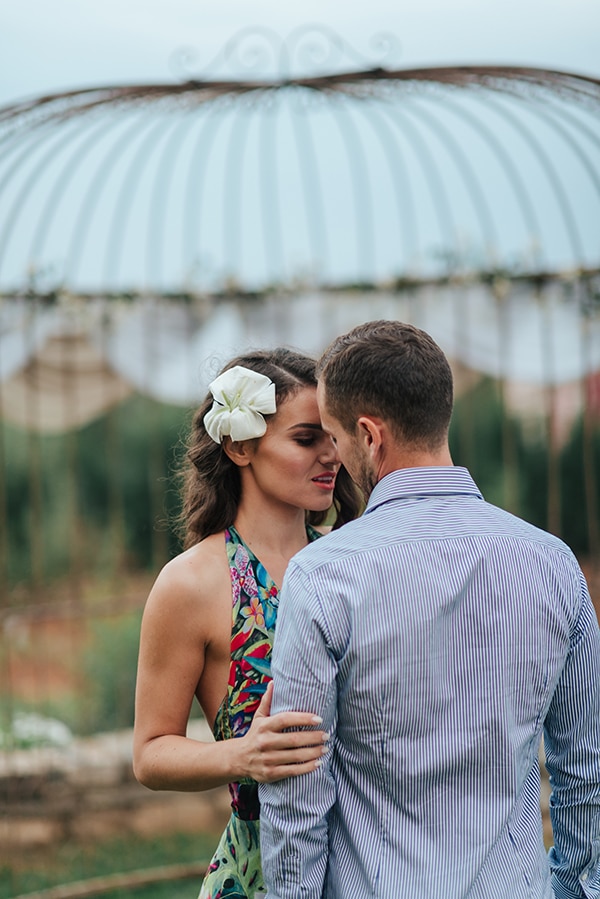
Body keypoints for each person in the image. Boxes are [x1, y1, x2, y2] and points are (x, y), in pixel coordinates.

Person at [259, 320, 600, 899]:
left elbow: (299, 796)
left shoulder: (321, 576)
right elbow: (585, 772)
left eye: (336, 440)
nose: (334, 460)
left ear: (369, 436)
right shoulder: (553, 564)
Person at [133, 347, 360, 899]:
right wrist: (242, 756)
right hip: (264, 868)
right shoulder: (191, 583)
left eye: (334, 436)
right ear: (239, 446)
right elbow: (150, 751)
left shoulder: (352, 558)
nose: (332, 454)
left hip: (377, 858)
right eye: (307, 439)